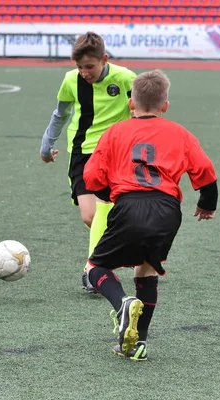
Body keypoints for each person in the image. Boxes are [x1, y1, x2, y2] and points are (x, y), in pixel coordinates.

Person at [83, 69, 218, 361]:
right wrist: (208, 203)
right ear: (165, 106)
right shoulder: (180, 133)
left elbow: (92, 176)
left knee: (95, 269)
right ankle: (137, 342)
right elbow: (205, 171)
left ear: (131, 103)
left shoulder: (115, 132)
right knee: (146, 269)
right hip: (167, 210)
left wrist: (106, 194)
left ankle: (121, 304)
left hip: (130, 205)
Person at [40, 31, 136, 294]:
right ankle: (109, 257)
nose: (84, 72)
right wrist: (46, 145)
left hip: (117, 155)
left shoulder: (126, 78)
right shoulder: (71, 80)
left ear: (104, 59)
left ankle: (93, 270)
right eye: (79, 67)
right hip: (82, 153)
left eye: (90, 66)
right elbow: (61, 114)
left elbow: (142, 111)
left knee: (104, 213)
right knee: (90, 216)